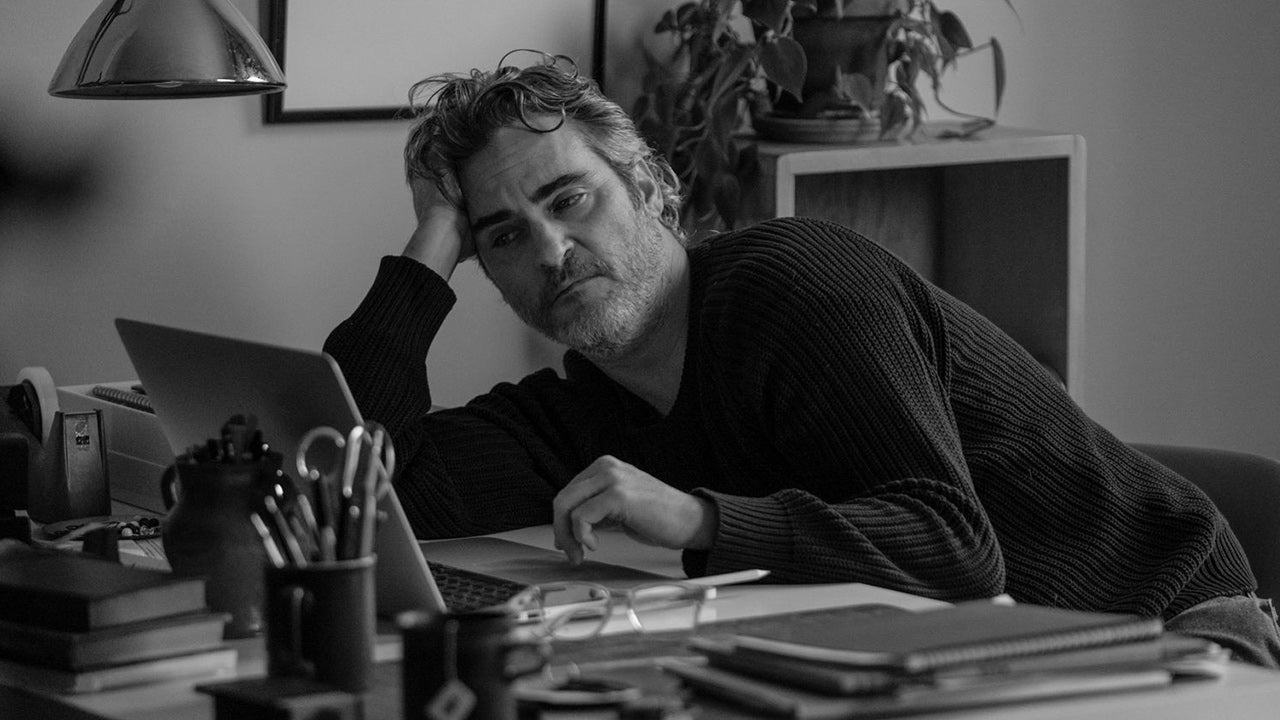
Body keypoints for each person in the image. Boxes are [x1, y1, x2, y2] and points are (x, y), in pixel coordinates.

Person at [323, 54, 1280, 667]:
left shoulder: (795, 284)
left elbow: (954, 547)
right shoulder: (575, 412)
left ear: (648, 186)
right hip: (963, 662)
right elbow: (364, 484)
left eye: (569, 200)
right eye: (501, 236)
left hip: (1166, 634)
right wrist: (430, 245)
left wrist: (697, 516)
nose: (549, 251)